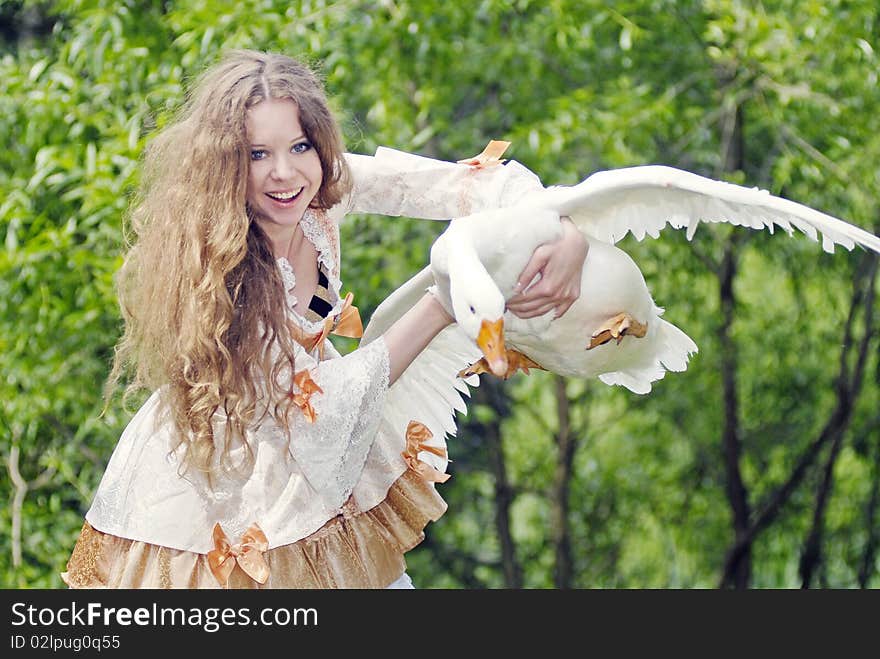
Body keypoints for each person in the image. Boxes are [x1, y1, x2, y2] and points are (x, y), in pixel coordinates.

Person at [62, 49, 588, 589]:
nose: (284, 172)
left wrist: (563, 229)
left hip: (317, 458)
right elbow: (317, 416)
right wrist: (440, 304)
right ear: (224, 164)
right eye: (257, 154)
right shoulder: (228, 272)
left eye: (300, 146)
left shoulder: (319, 199)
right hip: (221, 493)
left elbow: (470, 184)